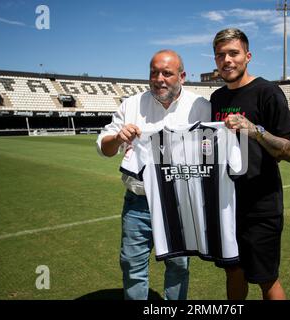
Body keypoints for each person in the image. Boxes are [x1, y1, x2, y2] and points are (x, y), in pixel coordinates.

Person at [96, 49, 211, 300]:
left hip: (180, 202)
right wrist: (117, 138)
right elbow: (103, 148)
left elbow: (210, 151)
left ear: (182, 76)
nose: (159, 78)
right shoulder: (132, 104)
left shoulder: (201, 106)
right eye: (154, 72)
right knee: (132, 265)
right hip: (139, 202)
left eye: (167, 73)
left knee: (179, 266)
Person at [210, 28, 290, 300]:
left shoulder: (267, 92)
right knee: (233, 271)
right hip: (227, 203)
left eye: (233, 53)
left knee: (266, 278)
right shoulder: (217, 98)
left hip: (261, 205)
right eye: (220, 55)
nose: (227, 60)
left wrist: (254, 130)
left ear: (247, 56)